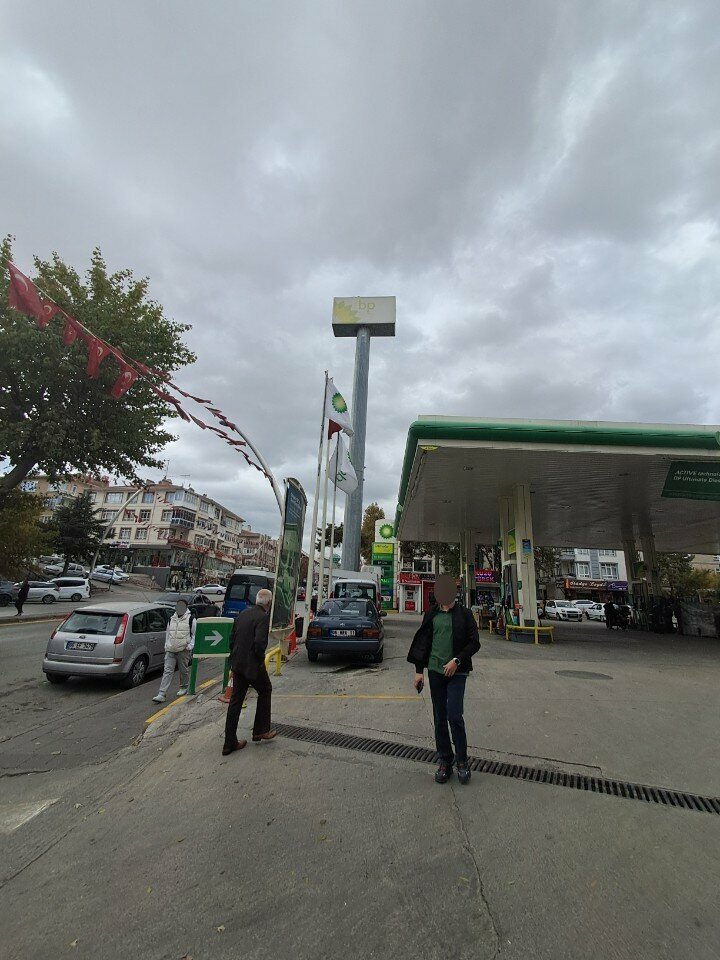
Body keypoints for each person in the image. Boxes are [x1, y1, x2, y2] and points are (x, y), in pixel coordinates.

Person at [407, 573, 481, 785]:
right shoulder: (431, 614)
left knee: (454, 715)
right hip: (435, 671)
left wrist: (456, 661)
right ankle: (445, 761)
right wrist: (419, 671)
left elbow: (474, 642)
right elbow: (423, 642)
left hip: (457, 672)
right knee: (439, 716)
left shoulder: (465, 614)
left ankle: (462, 761)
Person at [223, 588, 277, 756]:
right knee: (265, 690)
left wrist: (235, 658)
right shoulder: (263, 617)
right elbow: (260, 643)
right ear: (269, 603)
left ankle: (229, 742)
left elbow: (231, 639)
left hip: (238, 664)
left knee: (235, 701)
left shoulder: (243, 614)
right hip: (252, 665)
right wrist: (259, 661)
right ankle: (260, 730)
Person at [152, 599, 195, 703]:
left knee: (183, 670)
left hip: (183, 650)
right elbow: (168, 633)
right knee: (167, 670)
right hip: (170, 649)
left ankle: (184, 687)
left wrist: (190, 646)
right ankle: (162, 693)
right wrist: (166, 645)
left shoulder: (191, 619)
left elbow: (194, 634)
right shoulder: (171, 619)